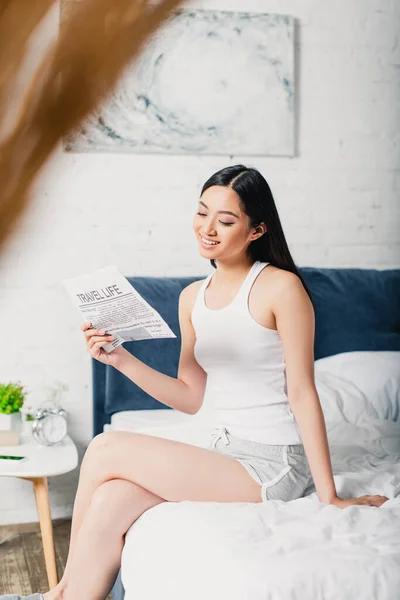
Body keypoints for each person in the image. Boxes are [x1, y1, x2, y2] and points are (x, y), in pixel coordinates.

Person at [2, 164, 388, 600]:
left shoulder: (282, 288)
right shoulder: (192, 299)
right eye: (202, 213)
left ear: (257, 229)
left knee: (106, 446)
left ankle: (56, 592)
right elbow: (190, 397)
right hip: (225, 450)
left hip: (273, 464)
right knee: (112, 499)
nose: (208, 229)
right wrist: (121, 359)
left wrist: (330, 495)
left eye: (225, 221)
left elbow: (302, 392)